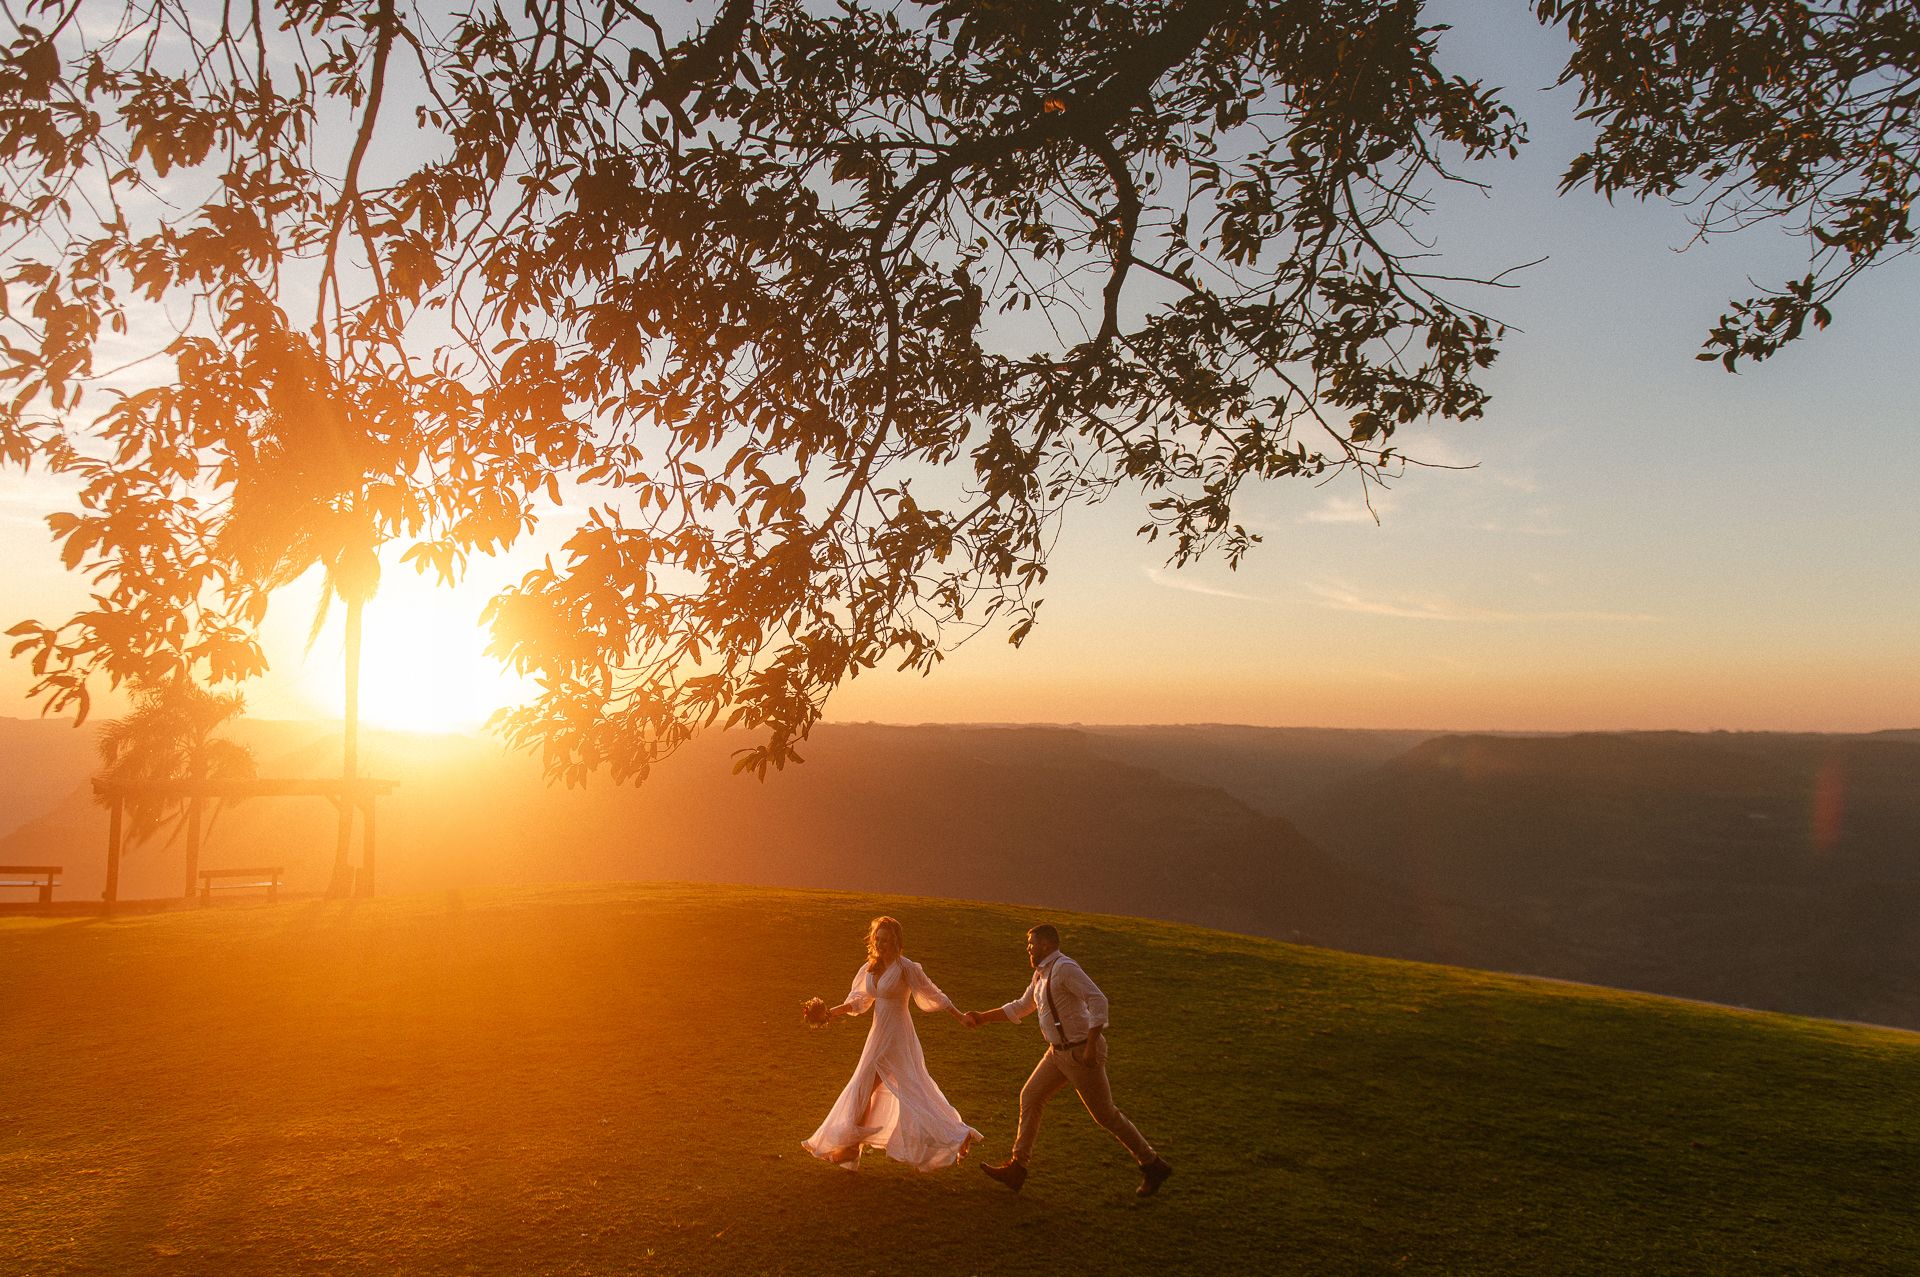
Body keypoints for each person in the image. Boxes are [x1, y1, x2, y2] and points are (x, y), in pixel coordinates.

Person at [962, 924, 1172, 1196]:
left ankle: (1152, 1163)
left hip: (1080, 1052)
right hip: (1057, 1053)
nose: (1028, 949)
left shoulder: (1064, 968)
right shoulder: (1041, 974)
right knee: (1031, 1096)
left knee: (1105, 1115)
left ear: (1047, 945)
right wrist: (982, 1017)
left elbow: (1098, 1000)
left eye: (1032, 944)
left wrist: (1092, 1045)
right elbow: (1022, 1006)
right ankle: (1018, 1168)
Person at [801, 916, 981, 1171]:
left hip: (897, 1033)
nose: (881, 944)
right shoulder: (871, 968)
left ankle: (956, 1134)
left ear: (897, 941)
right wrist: (831, 1012)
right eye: (878, 939)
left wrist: (960, 1016)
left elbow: (933, 993)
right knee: (876, 1086)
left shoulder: (906, 968)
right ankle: (852, 1148)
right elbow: (859, 999)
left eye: (886, 940)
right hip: (878, 1032)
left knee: (906, 1087)